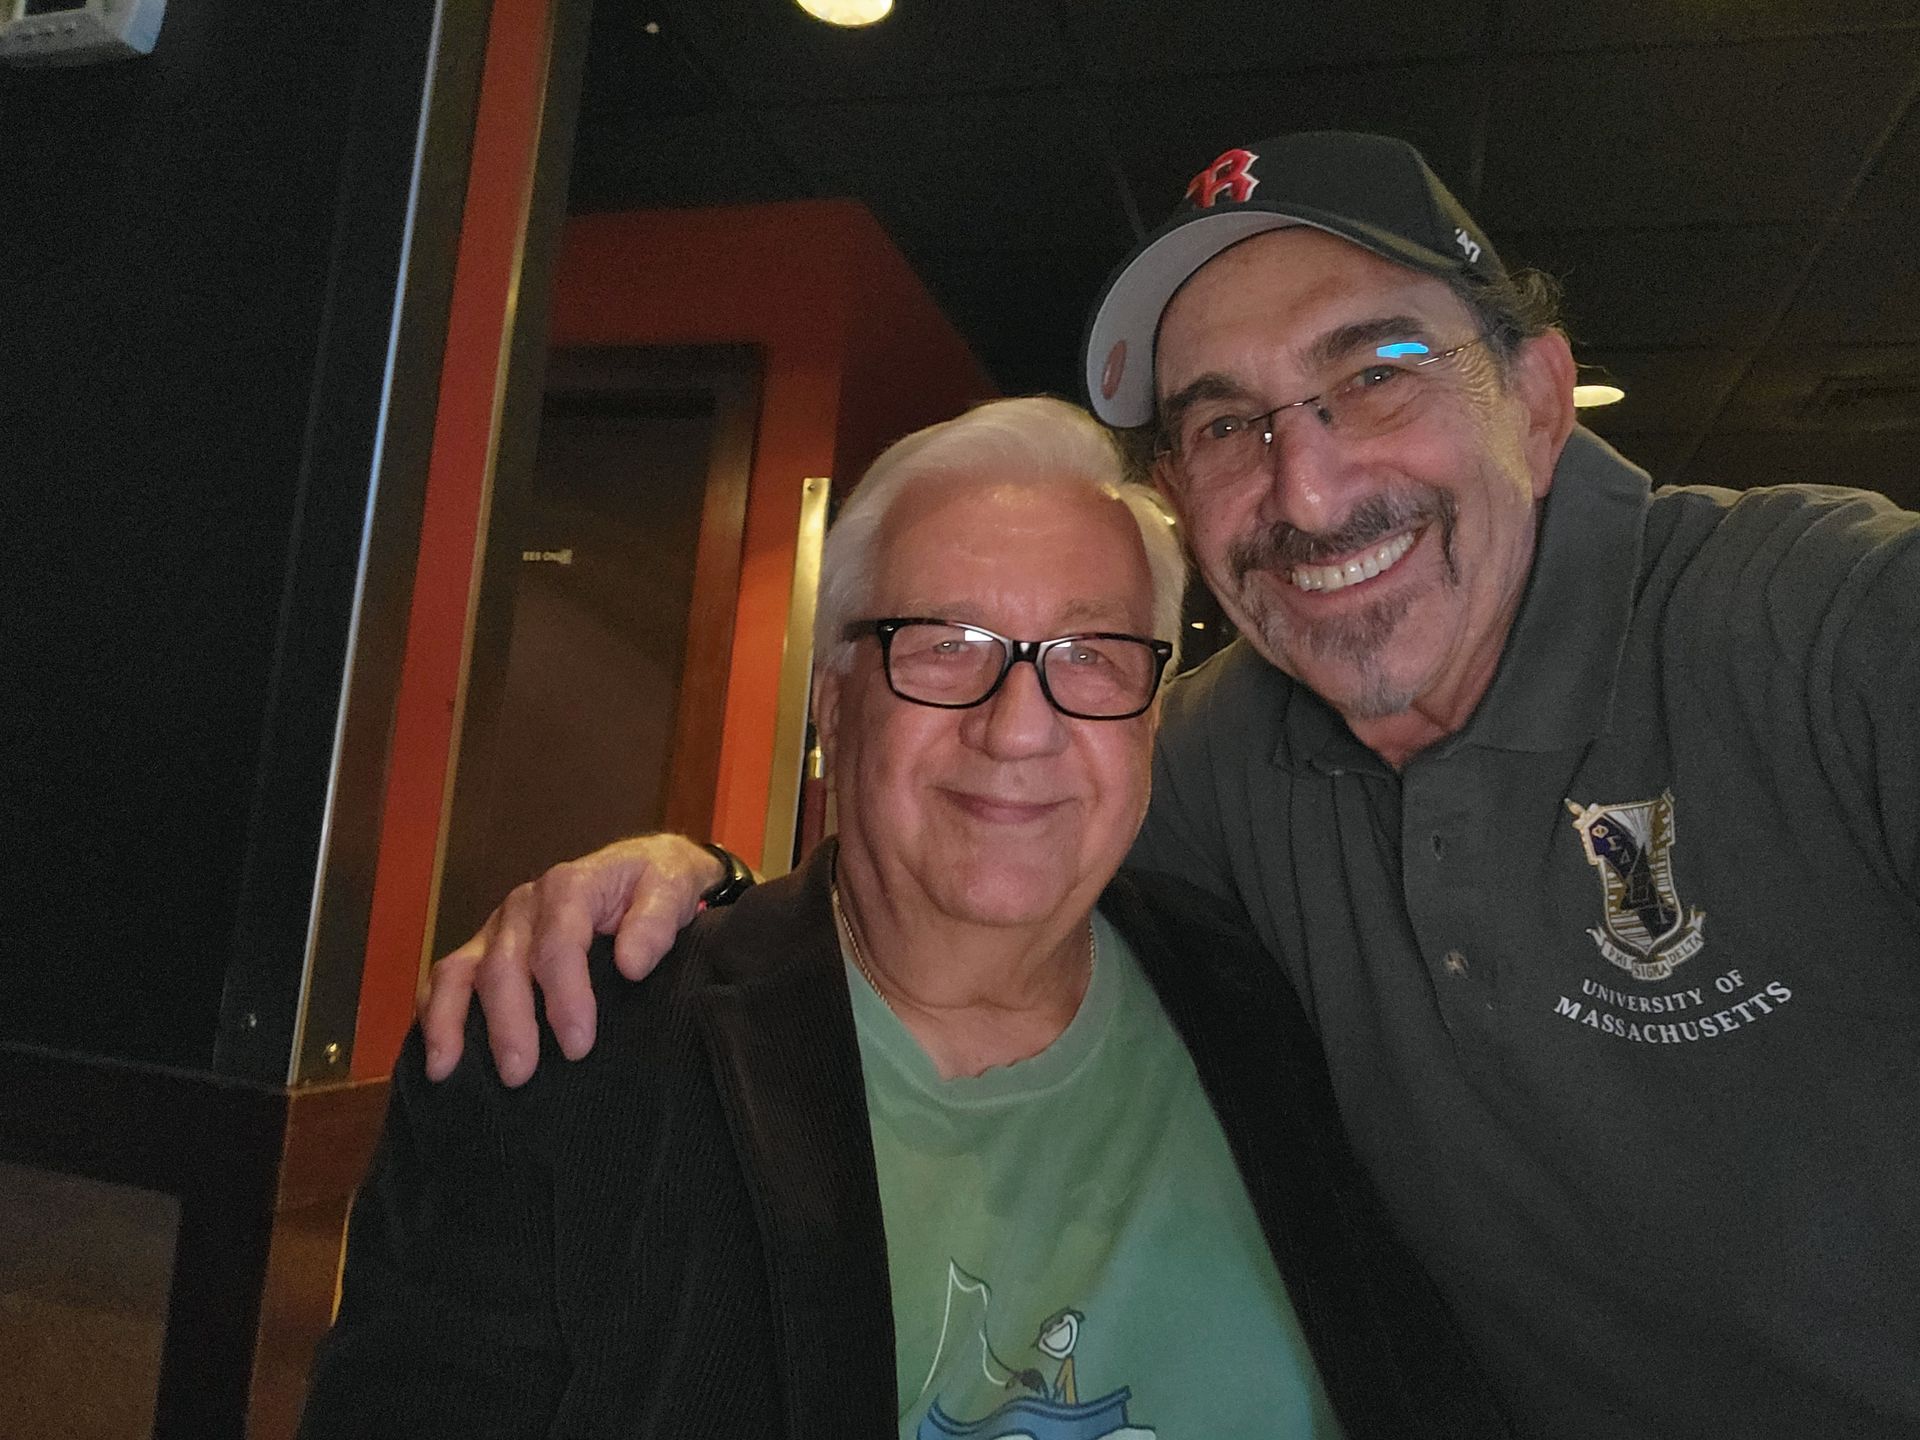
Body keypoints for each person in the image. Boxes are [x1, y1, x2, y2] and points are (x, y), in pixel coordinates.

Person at [423, 133, 1920, 1437]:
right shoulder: (1213, 750)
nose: (1307, 489)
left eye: (1375, 376)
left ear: (1537, 400)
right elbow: (965, 829)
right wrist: (687, 886)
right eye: (1223, 424)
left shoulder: (1827, 622)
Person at [303, 397, 1508, 1439]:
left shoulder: (1273, 1006)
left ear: (1150, 720)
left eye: (1090, 655)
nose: (1019, 727)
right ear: (834, 702)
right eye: (944, 647)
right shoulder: (569, 1057)